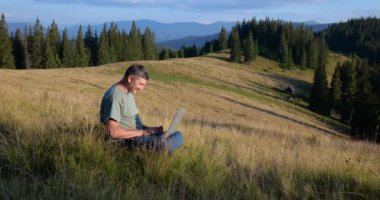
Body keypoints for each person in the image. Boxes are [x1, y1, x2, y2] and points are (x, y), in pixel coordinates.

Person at [99, 64, 183, 154]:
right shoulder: (115, 96)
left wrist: (150, 129)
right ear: (130, 78)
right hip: (128, 141)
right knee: (166, 141)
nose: (142, 89)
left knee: (177, 135)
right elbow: (113, 132)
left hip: (139, 136)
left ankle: (161, 148)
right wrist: (143, 133)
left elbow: (129, 122)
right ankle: (160, 150)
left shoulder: (129, 92)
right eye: (141, 84)